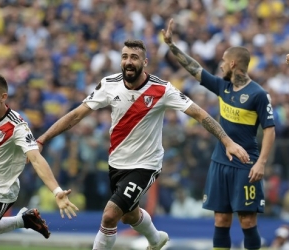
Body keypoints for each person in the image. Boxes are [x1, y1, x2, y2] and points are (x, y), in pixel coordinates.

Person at [36, 39, 249, 250]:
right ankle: (156, 239)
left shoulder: (162, 89)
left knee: (110, 216)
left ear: (145, 62)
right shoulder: (109, 84)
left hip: (146, 165)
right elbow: (76, 115)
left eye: (134, 57)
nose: (129, 61)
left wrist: (227, 141)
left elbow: (200, 115)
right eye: (125, 56)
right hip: (117, 163)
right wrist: (43, 138)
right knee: (129, 215)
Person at [162, 19, 275, 250]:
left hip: (246, 163)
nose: (220, 66)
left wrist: (261, 163)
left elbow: (270, 130)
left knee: (247, 220)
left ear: (233, 63)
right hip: (220, 161)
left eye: (223, 61)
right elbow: (194, 69)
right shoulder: (222, 87)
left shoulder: (258, 94)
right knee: (221, 220)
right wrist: (172, 46)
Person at [0, 72, 78, 240]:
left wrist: (57, 191)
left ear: (3, 97)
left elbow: (36, 159)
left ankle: (23, 221)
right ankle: (24, 220)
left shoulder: (17, 126)